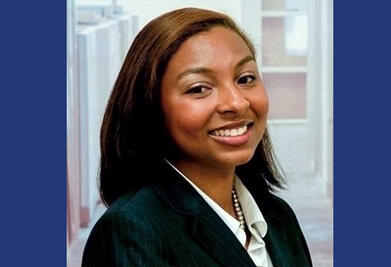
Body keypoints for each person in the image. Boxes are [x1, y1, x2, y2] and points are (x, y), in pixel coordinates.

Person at [81, 7, 312, 267]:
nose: (236, 102)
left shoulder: (277, 216)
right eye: (199, 88)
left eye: (245, 78)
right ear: (151, 109)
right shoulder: (132, 229)